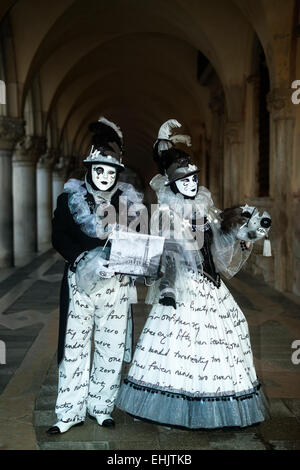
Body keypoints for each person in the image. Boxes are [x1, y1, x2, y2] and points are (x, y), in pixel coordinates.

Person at [116, 119, 270, 429]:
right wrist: (168, 286)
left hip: (211, 288)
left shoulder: (206, 209)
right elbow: (165, 253)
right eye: (184, 181)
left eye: (193, 179)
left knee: (228, 333)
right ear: (172, 184)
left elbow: (220, 243)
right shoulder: (166, 214)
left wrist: (248, 230)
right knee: (180, 346)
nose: (191, 184)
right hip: (182, 289)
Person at [47, 117, 143, 434]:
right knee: (74, 348)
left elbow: (137, 238)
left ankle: (101, 407)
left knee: (111, 347)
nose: (104, 177)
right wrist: (80, 258)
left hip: (117, 285)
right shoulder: (70, 198)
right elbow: (59, 236)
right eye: (99, 170)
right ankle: (69, 412)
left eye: (111, 171)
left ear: (118, 173)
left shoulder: (128, 202)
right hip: (80, 284)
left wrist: (130, 259)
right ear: (89, 168)